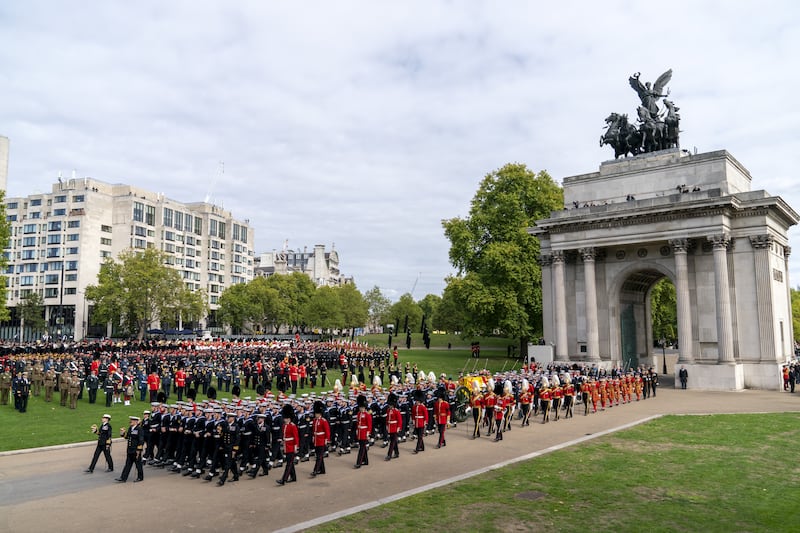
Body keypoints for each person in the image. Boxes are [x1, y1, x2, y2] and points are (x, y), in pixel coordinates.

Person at [116, 415, 144, 483]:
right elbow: (127, 437)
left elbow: (141, 440)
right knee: (128, 464)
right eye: (131, 420)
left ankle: (140, 477)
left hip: (135, 450)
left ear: (136, 422)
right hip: (130, 449)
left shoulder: (139, 429)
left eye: (132, 420)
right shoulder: (130, 428)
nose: (130, 421)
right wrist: (123, 434)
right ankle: (123, 478)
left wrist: (139, 450)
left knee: (138, 464)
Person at [276, 404, 298, 486]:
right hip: (286, 446)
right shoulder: (284, 425)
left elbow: (296, 437)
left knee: (288, 464)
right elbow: (284, 435)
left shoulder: (293, 426)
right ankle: (294, 477)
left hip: (291, 446)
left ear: (289, 418)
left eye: (285, 418)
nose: (284, 419)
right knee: (290, 463)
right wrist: (282, 440)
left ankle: (284, 479)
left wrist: (296, 446)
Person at [310, 400, 330, 476]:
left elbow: (327, 431)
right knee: (319, 455)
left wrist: (326, 439)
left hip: (321, 440)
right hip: (316, 439)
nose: (316, 415)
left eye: (317, 413)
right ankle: (322, 470)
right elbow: (314, 430)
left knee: (319, 456)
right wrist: (313, 436)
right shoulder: (315, 420)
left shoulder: (323, 421)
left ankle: (316, 470)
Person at [353, 394, 372, 468]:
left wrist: (368, 433)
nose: (360, 408)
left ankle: (359, 462)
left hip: (364, 432)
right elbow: (358, 423)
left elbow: (369, 425)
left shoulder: (367, 414)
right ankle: (366, 461)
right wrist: (357, 430)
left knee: (361, 448)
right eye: (360, 407)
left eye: (362, 407)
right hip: (360, 432)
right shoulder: (358, 414)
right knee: (362, 446)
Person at [384, 392, 401, 461]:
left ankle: (389, 455)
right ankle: (396, 453)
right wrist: (387, 425)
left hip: (395, 428)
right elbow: (387, 419)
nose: (389, 406)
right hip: (390, 427)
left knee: (392, 442)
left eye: (390, 405)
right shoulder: (388, 410)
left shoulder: (396, 411)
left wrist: (398, 428)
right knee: (394, 441)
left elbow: (399, 420)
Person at [412, 390, 428, 454]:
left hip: (421, 422)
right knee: (419, 436)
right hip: (416, 422)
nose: (417, 402)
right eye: (416, 401)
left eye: (418, 401)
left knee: (420, 437)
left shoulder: (423, 407)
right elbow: (413, 414)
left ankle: (417, 449)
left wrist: (425, 422)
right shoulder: (414, 407)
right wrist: (413, 420)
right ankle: (422, 447)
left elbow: (426, 415)